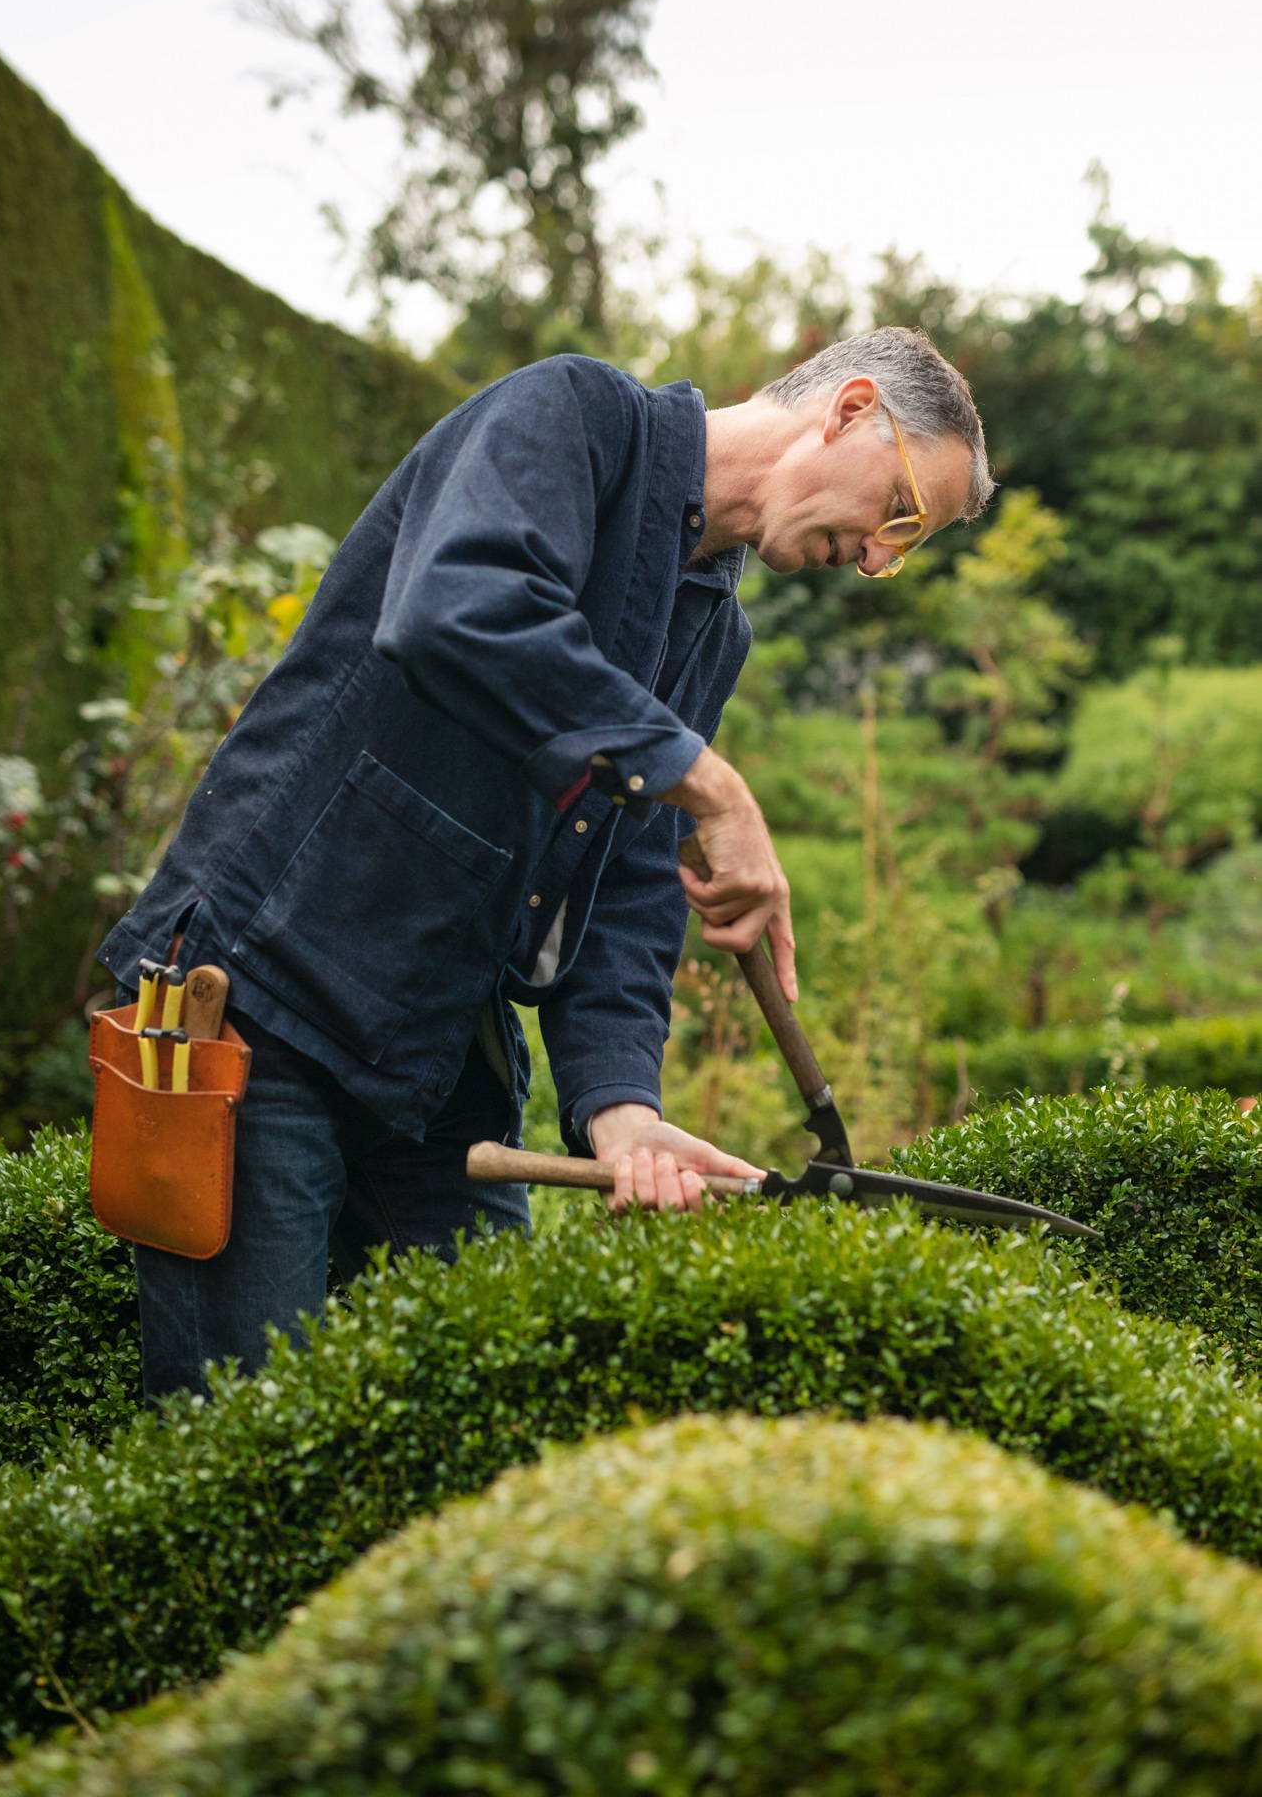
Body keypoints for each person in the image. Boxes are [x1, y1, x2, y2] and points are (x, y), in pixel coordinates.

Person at [97, 325, 992, 1401]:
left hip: (434, 1051)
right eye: (897, 511)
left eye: (907, 545)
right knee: (237, 1435)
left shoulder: (712, 632)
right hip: (254, 1005)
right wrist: (708, 779)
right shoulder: (570, 419)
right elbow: (457, 608)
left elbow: (622, 882)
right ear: (849, 407)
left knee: (495, 1408)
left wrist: (620, 1101)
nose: (877, 556)